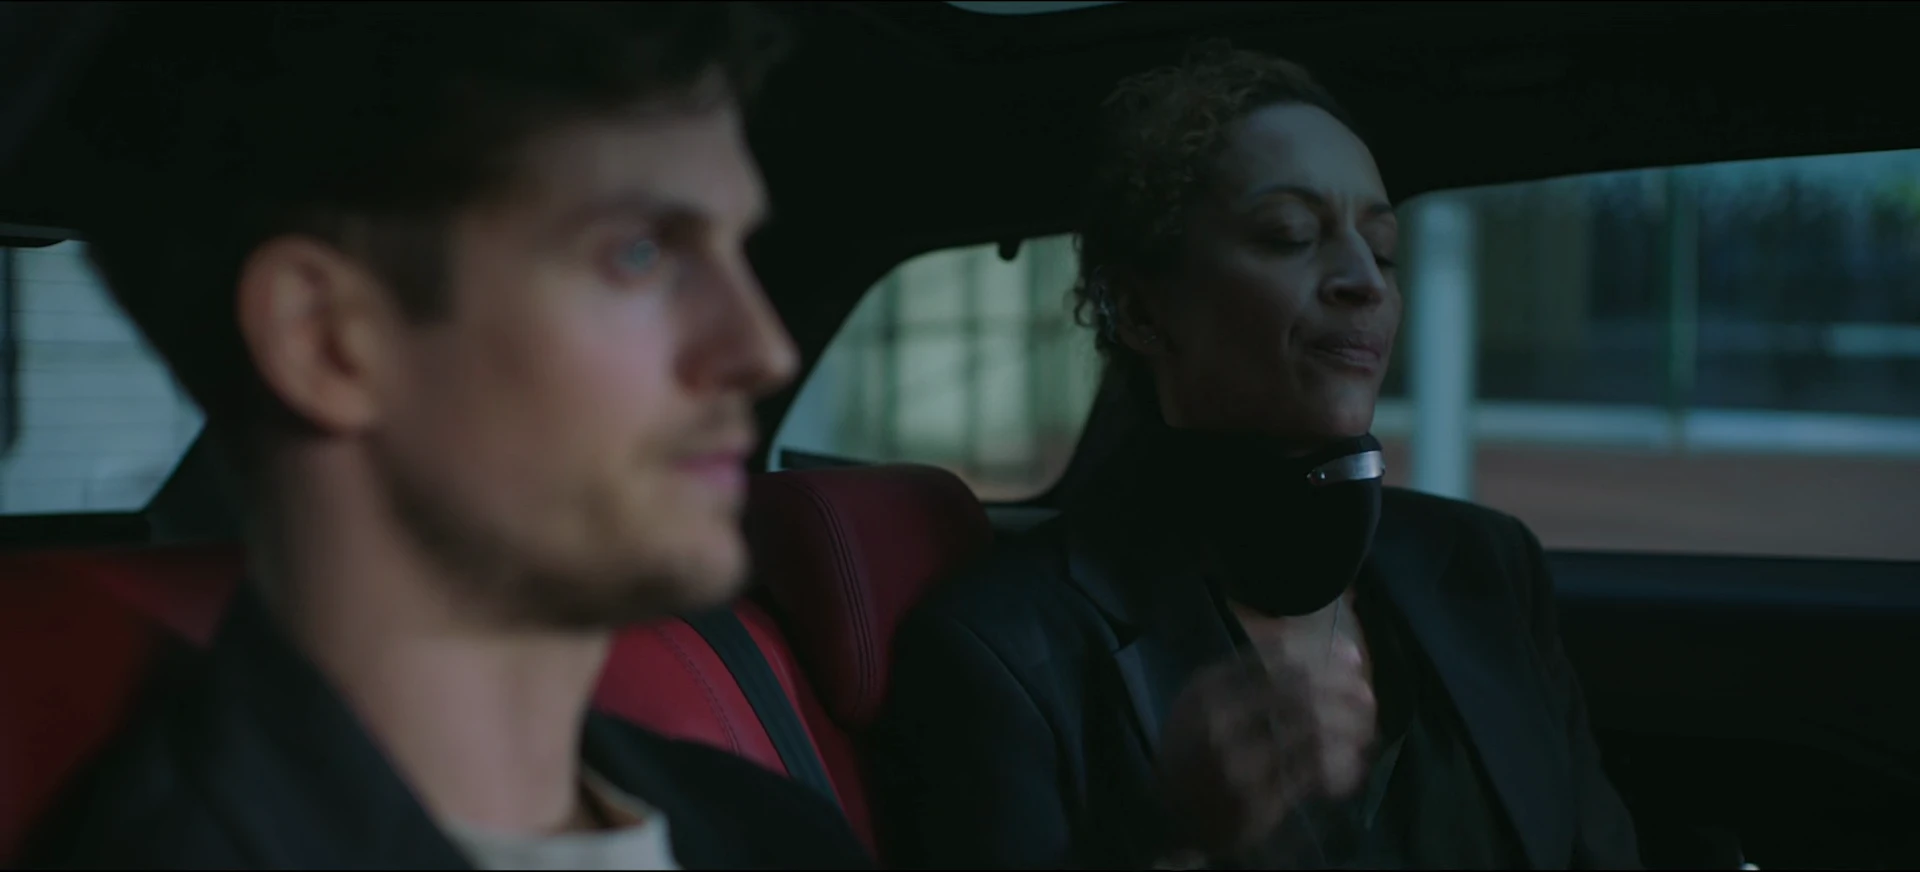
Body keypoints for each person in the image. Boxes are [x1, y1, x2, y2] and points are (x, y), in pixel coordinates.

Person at [18, 3, 869, 870]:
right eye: (639, 254)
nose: (765, 350)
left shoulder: (779, 834)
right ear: (327, 342)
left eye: (739, 250)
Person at [865, 43, 1642, 870]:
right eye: (1289, 235)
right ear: (1140, 310)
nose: (1364, 281)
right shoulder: (1002, 652)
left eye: (1383, 250)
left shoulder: (1489, 565)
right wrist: (1184, 843)